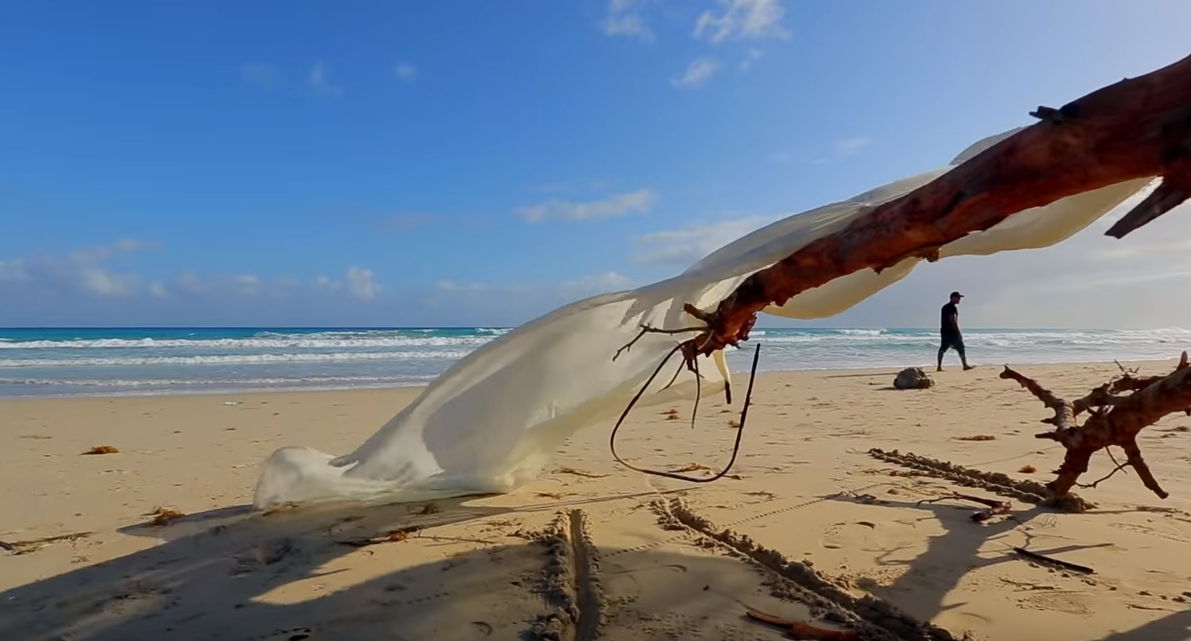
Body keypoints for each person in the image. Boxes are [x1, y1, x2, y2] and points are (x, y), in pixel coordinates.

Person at [938, 291, 974, 371]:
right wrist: (958, 332)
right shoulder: (952, 308)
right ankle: (965, 365)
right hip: (952, 331)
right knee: (961, 347)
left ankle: (939, 366)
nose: (959, 299)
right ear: (953, 298)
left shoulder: (944, 307)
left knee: (943, 348)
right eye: (958, 298)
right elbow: (952, 320)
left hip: (944, 331)